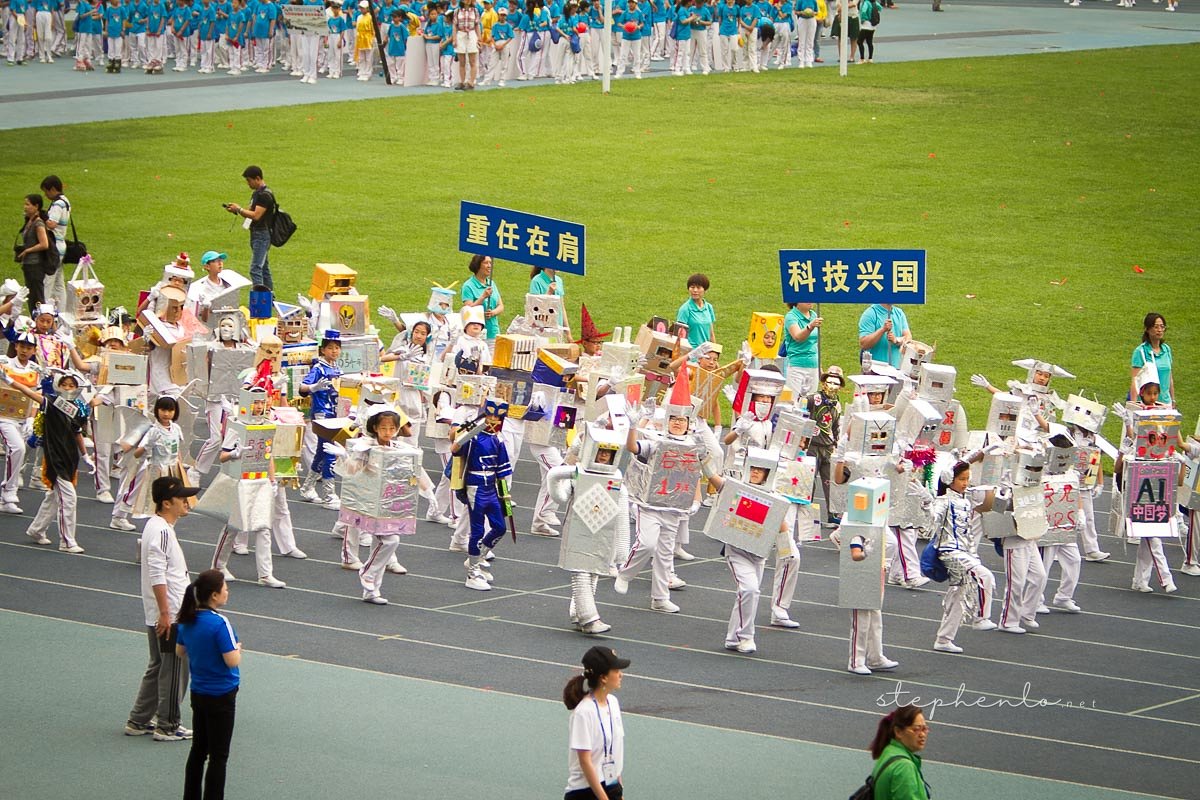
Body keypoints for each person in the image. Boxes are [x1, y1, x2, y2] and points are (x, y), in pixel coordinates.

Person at [125, 475, 200, 741]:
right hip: (171, 615)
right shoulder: (162, 531)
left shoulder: (156, 527)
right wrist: (167, 614)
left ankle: (139, 719)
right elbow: (158, 574)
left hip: (162, 612)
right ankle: (167, 725)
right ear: (167, 503)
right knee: (174, 669)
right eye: (182, 498)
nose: (187, 502)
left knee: (158, 665)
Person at [176, 568, 241, 800]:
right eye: (224, 588)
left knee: (198, 751)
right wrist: (238, 649)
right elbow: (232, 660)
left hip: (199, 692)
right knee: (219, 756)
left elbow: (180, 651)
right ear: (214, 595)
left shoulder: (188, 619)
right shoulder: (220, 623)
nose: (227, 592)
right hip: (222, 694)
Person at [563, 646, 629, 800]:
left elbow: (613, 749)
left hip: (610, 784)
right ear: (603, 677)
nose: (621, 675)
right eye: (616, 670)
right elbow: (585, 761)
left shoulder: (613, 703)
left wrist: (618, 790)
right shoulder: (583, 713)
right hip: (585, 792)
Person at [223, 165, 275, 290]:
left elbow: (256, 216)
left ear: (257, 178)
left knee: (255, 269)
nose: (248, 183)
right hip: (257, 234)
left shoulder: (264, 196)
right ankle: (270, 298)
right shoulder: (257, 193)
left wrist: (239, 209)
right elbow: (250, 212)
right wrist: (236, 210)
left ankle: (259, 298)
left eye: (249, 180)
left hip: (262, 235)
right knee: (263, 268)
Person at [868, 705, 932, 800]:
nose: (922, 735)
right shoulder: (904, 767)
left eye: (924, 729)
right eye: (916, 729)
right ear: (898, 732)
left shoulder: (888, 752)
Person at [1130, 313, 1175, 408]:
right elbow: (1135, 379)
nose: (1159, 330)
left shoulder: (1166, 349)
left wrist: (1173, 400)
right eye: (1156, 327)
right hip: (1147, 405)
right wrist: (1133, 406)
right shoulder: (1140, 351)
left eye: (1162, 327)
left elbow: (1169, 377)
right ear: (1147, 329)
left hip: (1165, 403)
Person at [15, 193, 52, 308]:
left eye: (28, 204)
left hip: (35, 265)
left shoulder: (38, 223)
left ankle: (41, 321)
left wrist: (27, 251)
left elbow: (44, 244)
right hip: (29, 265)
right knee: (31, 297)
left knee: (37, 298)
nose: (25, 207)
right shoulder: (30, 221)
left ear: (36, 206)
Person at [39, 176, 70, 309]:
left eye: (46, 191)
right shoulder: (65, 201)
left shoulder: (58, 204)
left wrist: (42, 216)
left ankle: (43, 312)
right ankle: (62, 311)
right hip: (61, 245)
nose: (45, 195)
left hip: (54, 247)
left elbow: (52, 224)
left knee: (48, 281)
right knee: (58, 283)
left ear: (52, 189)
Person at [460, 254, 504, 343]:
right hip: (476, 335)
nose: (489, 266)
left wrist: (493, 312)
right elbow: (468, 310)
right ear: (478, 265)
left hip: (493, 332)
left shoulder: (492, 283)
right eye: (486, 263)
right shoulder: (468, 286)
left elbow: (501, 306)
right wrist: (483, 297)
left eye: (490, 263)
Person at [783, 301, 821, 397]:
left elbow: (815, 343)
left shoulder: (814, 315)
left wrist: (819, 365)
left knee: (811, 401)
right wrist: (810, 326)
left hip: (813, 365)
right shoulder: (791, 316)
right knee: (793, 401)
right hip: (797, 366)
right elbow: (797, 337)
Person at [858, 302, 910, 371]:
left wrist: (896, 340)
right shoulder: (870, 314)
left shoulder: (899, 313)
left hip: (896, 370)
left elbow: (908, 339)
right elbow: (864, 344)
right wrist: (883, 330)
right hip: (875, 371)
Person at [674, 273, 715, 348]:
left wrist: (715, 352)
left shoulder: (709, 307)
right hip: (691, 354)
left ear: (705, 289)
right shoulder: (685, 309)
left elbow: (711, 333)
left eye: (698, 288)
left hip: (705, 353)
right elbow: (680, 336)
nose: (695, 290)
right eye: (692, 287)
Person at [452, 0, 481, 89]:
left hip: (471, 34)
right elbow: (454, 25)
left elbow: (477, 25)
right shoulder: (457, 11)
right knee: (462, 61)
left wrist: (479, 38)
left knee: (472, 60)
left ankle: (471, 82)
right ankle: (462, 81)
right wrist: (454, 39)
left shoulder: (475, 11)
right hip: (461, 34)